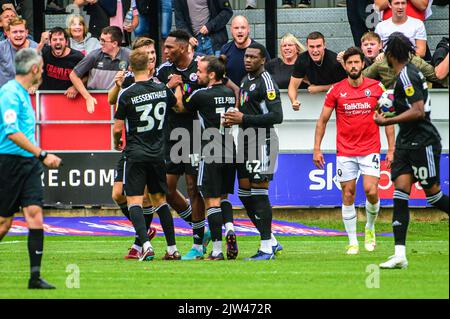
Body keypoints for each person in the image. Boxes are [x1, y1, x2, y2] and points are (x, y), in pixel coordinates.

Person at [373, 32, 449, 269]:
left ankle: (399, 254)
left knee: (433, 195)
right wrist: (391, 107)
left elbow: (417, 111)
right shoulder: (403, 76)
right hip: (407, 142)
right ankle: (399, 254)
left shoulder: (407, 76)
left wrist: (386, 121)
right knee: (400, 193)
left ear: (389, 54)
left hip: (423, 141)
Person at [314, 46, 395, 255]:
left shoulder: (377, 88)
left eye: (356, 62)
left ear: (362, 64)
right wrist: (317, 148)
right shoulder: (336, 90)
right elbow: (322, 121)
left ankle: (369, 228)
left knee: (371, 190)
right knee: (348, 194)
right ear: (345, 65)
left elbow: (388, 120)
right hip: (346, 151)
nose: (353, 66)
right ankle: (352, 241)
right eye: (349, 63)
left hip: (370, 150)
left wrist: (392, 149)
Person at [0, 48, 62, 288]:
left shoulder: (23, 93)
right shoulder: (9, 93)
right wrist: (42, 154)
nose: (44, 72)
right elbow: (12, 131)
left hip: (28, 163)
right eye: (43, 67)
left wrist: (35, 156)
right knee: (4, 222)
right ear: (34, 69)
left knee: (35, 215)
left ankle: (35, 277)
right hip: (10, 163)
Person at [113, 48, 183, 261]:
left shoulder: (127, 93)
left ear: (132, 69)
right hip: (158, 154)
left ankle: (145, 245)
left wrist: (117, 143)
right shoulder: (162, 89)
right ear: (150, 66)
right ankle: (172, 249)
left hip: (135, 153)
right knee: (160, 201)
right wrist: (177, 87)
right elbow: (178, 106)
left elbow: (117, 128)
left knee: (134, 201)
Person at [223, 42, 283, 260]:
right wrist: (234, 118)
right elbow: (246, 111)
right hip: (246, 140)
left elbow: (277, 116)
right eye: (246, 56)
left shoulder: (267, 82)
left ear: (263, 60)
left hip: (263, 141)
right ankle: (272, 241)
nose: (247, 60)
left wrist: (244, 119)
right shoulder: (245, 80)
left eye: (253, 57)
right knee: (244, 194)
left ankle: (266, 247)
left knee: (259, 193)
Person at [156, 30, 213, 260]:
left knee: (193, 188)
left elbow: (189, 105)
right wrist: (168, 87)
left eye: (169, 47)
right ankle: (200, 227)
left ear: (182, 48)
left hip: (194, 135)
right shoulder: (163, 71)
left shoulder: (199, 68)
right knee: (166, 189)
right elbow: (154, 96)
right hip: (170, 135)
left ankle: (198, 244)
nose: (165, 51)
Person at [108, 37, 166, 260]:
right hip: (132, 145)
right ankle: (144, 233)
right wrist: (117, 84)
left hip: (151, 145)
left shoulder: (159, 77)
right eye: (146, 52)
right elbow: (111, 101)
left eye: (153, 52)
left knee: (144, 197)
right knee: (117, 194)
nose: (151, 56)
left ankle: (140, 242)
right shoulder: (131, 77)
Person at [178, 55, 237, 260]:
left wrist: (178, 86)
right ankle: (230, 227)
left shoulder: (202, 95)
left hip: (210, 149)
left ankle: (218, 250)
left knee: (210, 200)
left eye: (201, 72)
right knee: (224, 197)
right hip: (230, 147)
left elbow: (181, 105)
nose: (197, 75)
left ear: (212, 75)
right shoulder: (229, 93)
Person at [69, 26, 130, 113]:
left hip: (119, 102)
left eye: (104, 41)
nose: (100, 43)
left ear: (114, 44)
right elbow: (73, 75)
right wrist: (87, 97)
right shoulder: (94, 55)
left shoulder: (128, 55)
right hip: (96, 101)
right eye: (100, 39)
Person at [288, 31, 347, 111]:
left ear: (324, 46)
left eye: (318, 46)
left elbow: (344, 85)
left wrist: (320, 88)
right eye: (311, 47)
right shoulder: (302, 59)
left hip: (338, 100)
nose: (315, 50)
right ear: (307, 46)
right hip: (314, 103)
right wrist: (293, 101)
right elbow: (292, 86)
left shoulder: (333, 60)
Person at [220, 15, 270, 87]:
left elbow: (268, 75)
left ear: (248, 29)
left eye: (243, 28)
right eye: (236, 28)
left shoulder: (259, 50)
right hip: (232, 96)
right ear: (231, 30)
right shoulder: (225, 49)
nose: (239, 31)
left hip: (254, 95)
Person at [39, 27, 85, 98]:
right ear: (50, 43)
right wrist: (41, 43)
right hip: (47, 98)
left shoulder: (78, 57)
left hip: (69, 99)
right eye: (54, 39)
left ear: (66, 42)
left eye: (61, 39)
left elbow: (88, 76)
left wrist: (75, 87)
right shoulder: (44, 52)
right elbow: (29, 62)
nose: (58, 42)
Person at [0, 17, 38, 88]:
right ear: (8, 34)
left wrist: (35, 84)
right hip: (4, 95)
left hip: (28, 95)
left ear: (26, 33)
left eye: (21, 31)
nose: (18, 35)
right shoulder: (2, 47)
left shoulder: (35, 48)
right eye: (15, 32)